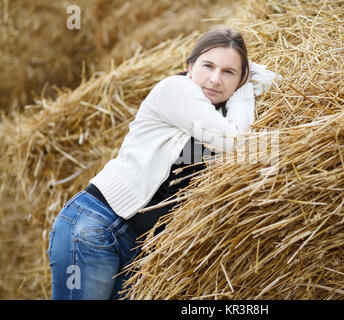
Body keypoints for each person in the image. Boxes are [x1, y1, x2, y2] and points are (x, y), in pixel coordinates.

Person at [47, 26, 278, 300]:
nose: (215, 79)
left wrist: (247, 80)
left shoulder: (215, 114)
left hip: (139, 250)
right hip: (97, 225)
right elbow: (236, 142)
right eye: (208, 66)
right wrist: (243, 89)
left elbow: (274, 83)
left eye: (229, 72)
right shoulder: (176, 89)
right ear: (189, 66)